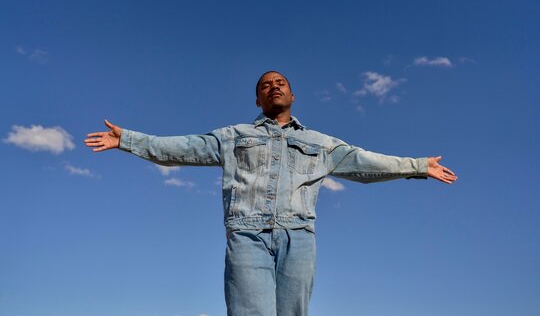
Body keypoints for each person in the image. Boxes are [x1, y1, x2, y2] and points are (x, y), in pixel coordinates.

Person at [85, 70, 457, 316]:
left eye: (280, 82)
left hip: (299, 238)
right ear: (258, 101)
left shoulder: (321, 143)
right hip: (247, 236)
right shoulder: (233, 136)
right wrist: (128, 140)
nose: (273, 86)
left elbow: (366, 163)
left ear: (293, 95)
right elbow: (179, 148)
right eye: (265, 85)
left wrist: (418, 166)